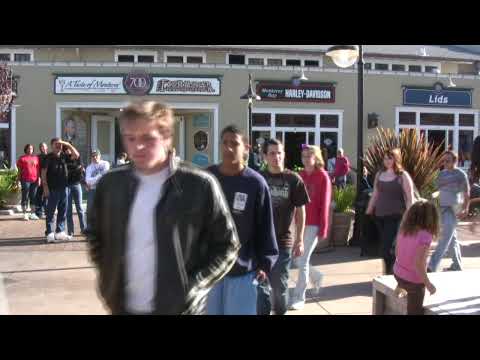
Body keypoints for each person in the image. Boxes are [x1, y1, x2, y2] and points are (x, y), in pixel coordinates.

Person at [87, 101, 240, 315]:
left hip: (179, 310)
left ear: (167, 137)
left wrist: (194, 286)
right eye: (131, 138)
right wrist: (108, 280)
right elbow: (95, 236)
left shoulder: (199, 185)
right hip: (123, 309)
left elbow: (227, 245)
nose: (138, 147)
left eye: (148, 138)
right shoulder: (111, 185)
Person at [207, 125, 278, 315]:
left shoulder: (255, 183)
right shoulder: (207, 179)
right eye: (225, 143)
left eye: (235, 143)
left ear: (246, 147)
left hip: (243, 272)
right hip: (210, 273)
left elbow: (265, 226)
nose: (229, 148)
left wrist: (266, 263)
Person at [257, 139, 310, 315]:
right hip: (260, 244)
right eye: (272, 153)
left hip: (283, 242)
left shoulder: (293, 180)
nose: (276, 157)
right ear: (264, 156)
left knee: (279, 289)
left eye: (279, 153)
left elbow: (301, 211)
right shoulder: (258, 178)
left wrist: (300, 239)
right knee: (260, 289)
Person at [290, 145, 331, 311]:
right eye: (304, 155)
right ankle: (317, 276)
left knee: (302, 260)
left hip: (313, 224)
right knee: (296, 259)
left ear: (316, 158)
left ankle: (299, 297)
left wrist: (323, 228)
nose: (306, 158)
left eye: (309, 155)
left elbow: (325, 204)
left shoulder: (323, 177)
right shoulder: (299, 176)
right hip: (298, 223)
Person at [366, 148, 414, 275]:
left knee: (389, 249)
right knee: (384, 247)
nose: (387, 161)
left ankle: (391, 274)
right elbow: (375, 194)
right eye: (385, 158)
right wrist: (368, 210)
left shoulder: (402, 175)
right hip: (380, 216)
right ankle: (390, 272)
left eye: (390, 158)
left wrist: (410, 216)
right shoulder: (380, 174)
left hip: (397, 216)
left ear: (396, 159)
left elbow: (410, 197)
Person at [393, 200, 439, 315]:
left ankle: (400, 286)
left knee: (405, 277)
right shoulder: (425, 236)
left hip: (397, 274)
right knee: (415, 311)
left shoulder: (404, 230)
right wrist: (429, 285)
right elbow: (418, 265)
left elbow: (397, 252)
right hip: (413, 283)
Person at [427, 151, 470, 273]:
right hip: (442, 208)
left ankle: (432, 265)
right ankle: (457, 265)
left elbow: (467, 193)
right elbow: (438, 190)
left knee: (445, 237)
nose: (445, 163)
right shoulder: (442, 174)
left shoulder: (461, 174)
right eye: (444, 160)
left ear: (454, 161)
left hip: (453, 209)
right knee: (452, 238)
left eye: (448, 161)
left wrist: (466, 208)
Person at [42, 138, 80, 243]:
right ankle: (50, 233)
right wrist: (45, 187)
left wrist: (67, 144)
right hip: (52, 189)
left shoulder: (64, 156)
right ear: (51, 145)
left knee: (63, 211)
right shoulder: (48, 157)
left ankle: (60, 232)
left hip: (64, 188)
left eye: (60, 144)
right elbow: (43, 173)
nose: (58, 146)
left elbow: (76, 155)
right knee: (50, 211)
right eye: (56, 144)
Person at [85, 149, 110, 231]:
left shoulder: (105, 163)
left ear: (100, 156)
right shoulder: (89, 167)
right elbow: (88, 181)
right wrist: (99, 176)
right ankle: (90, 227)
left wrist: (93, 180)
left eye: (96, 155)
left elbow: (105, 175)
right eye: (93, 156)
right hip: (92, 190)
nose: (95, 157)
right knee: (90, 209)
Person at [65, 146, 86, 237]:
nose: (68, 151)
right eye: (66, 150)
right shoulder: (64, 159)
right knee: (68, 210)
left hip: (77, 185)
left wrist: (79, 170)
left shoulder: (78, 159)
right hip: (67, 186)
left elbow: (81, 169)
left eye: (69, 149)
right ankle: (70, 231)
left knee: (80, 209)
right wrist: (77, 169)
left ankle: (83, 229)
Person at [16, 144, 40, 220]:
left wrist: (39, 178)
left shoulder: (36, 158)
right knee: (25, 196)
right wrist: (18, 180)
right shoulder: (22, 158)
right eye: (29, 148)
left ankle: (32, 213)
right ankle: (25, 213)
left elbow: (38, 169)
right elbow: (19, 171)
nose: (30, 150)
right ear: (26, 149)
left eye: (31, 148)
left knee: (33, 197)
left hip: (35, 180)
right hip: (25, 180)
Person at [34, 142, 49, 219]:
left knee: (47, 196)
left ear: (47, 147)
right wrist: (39, 177)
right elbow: (36, 168)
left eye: (43, 146)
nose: (42, 148)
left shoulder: (50, 156)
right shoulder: (37, 157)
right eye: (41, 146)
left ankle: (47, 211)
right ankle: (39, 212)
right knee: (39, 196)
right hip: (40, 178)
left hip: (49, 179)